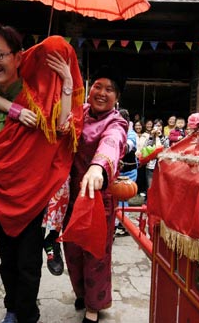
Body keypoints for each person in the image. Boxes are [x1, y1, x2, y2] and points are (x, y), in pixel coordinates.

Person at [0, 22, 83, 323]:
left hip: (32, 200)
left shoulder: (36, 94)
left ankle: (27, 314)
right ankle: (13, 307)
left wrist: (66, 81)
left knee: (28, 264)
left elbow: (60, 126)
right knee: (7, 263)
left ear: (19, 57)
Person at [63, 65, 128, 323]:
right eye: (98, 86)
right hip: (70, 195)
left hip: (98, 197)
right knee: (72, 249)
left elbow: (112, 142)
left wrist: (98, 166)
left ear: (117, 97)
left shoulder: (116, 122)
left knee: (96, 254)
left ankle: (94, 305)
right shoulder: (78, 113)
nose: (102, 93)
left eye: (109, 89)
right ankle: (81, 292)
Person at [115, 108, 137, 236]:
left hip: (129, 170)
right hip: (117, 170)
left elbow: (128, 146)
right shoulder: (115, 130)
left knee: (123, 197)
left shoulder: (131, 134)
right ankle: (118, 223)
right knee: (116, 198)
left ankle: (124, 224)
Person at [143, 119, 169, 190]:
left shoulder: (165, 137)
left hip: (162, 164)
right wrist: (151, 136)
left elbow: (167, 147)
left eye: (159, 126)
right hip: (150, 164)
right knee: (150, 186)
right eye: (156, 125)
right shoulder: (150, 137)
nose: (158, 127)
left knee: (161, 187)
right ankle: (149, 200)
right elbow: (146, 147)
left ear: (162, 127)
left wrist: (160, 136)